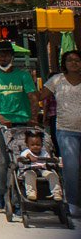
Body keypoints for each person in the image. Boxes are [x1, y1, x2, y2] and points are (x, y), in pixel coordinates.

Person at [0, 40, 40, 212]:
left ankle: (18, 197)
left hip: (22, 122)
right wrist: (0, 118)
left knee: (21, 161)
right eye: (0, 54)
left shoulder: (23, 75)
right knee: (1, 161)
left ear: (12, 56)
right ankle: (0, 192)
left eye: (7, 54)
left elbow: (33, 97)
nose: (3, 57)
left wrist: (34, 117)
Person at [45, 49, 81, 220]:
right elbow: (38, 95)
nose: (74, 63)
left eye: (77, 60)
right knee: (71, 168)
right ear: (64, 63)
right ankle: (73, 203)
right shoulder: (57, 80)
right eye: (70, 60)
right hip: (67, 131)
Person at [17, 129, 59, 202]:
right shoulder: (27, 151)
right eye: (32, 145)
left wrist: (52, 160)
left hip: (43, 170)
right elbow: (24, 155)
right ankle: (31, 193)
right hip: (30, 169)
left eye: (38, 144)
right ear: (27, 145)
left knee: (53, 175)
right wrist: (30, 156)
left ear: (42, 145)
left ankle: (56, 192)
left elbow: (48, 160)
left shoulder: (44, 152)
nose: (35, 146)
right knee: (29, 175)